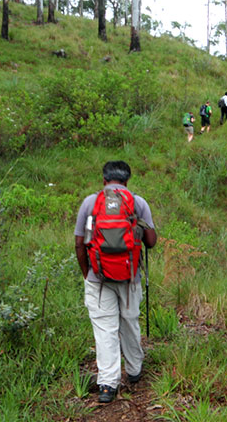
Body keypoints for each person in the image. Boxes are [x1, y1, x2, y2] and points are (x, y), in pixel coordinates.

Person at [74, 161, 157, 404]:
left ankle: (108, 385)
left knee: (104, 329)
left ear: (104, 180)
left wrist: (87, 274)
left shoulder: (90, 202)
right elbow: (151, 242)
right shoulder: (138, 203)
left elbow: (80, 243)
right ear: (127, 181)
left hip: (98, 277)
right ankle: (133, 370)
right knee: (130, 321)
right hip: (129, 276)